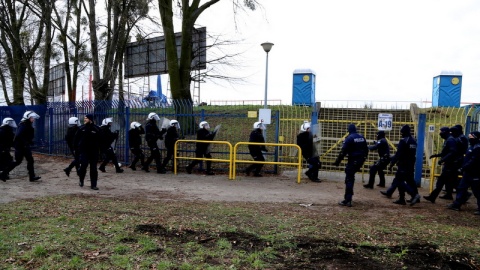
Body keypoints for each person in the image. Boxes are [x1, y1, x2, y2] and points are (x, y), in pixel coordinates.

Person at [380, 125, 421, 206]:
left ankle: (413, 195)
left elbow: (398, 154)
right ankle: (405, 198)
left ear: (403, 132)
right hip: (411, 164)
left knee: (399, 181)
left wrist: (392, 163)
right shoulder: (413, 140)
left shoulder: (403, 141)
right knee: (410, 181)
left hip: (403, 164)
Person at [423, 126, 463, 203]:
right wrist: (436, 155)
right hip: (449, 165)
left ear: (445, 132)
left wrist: (443, 160)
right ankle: (432, 197)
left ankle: (464, 195)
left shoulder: (450, 140)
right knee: (447, 181)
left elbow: (452, 152)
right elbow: (445, 152)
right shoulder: (448, 140)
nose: (440, 133)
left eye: (441, 132)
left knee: (447, 181)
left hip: (451, 165)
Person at [0, 111, 41, 182]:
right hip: (21, 147)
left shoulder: (26, 124)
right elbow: (19, 135)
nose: (33, 119)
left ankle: (32, 176)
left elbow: (24, 136)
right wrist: (25, 143)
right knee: (18, 161)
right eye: (32, 118)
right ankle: (3, 174)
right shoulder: (24, 125)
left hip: (23, 146)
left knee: (27, 160)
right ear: (28, 117)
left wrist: (30, 142)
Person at [333, 124, 368, 207]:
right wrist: (363, 158)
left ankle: (348, 200)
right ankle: (349, 196)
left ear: (348, 130)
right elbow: (366, 149)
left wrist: (337, 161)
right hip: (360, 160)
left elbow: (343, 151)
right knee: (351, 177)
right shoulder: (362, 137)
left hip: (353, 160)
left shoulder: (349, 138)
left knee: (349, 179)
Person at [446, 131, 480, 214]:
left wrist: (463, 168)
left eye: (471, 137)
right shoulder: (471, 147)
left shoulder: (478, 147)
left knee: (477, 191)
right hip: (468, 173)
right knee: (461, 188)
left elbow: (473, 161)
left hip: (475, 173)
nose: (469, 139)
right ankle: (457, 204)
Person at [74, 114, 101, 190]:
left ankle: (93, 185)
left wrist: (101, 151)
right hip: (84, 151)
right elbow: (76, 140)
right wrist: (76, 149)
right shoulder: (81, 128)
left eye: (86, 118)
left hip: (94, 151)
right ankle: (81, 180)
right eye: (85, 118)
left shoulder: (97, 129)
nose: (85, 119)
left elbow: (101, 140)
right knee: (83, 166)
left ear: (90, 119)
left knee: (93, 168)